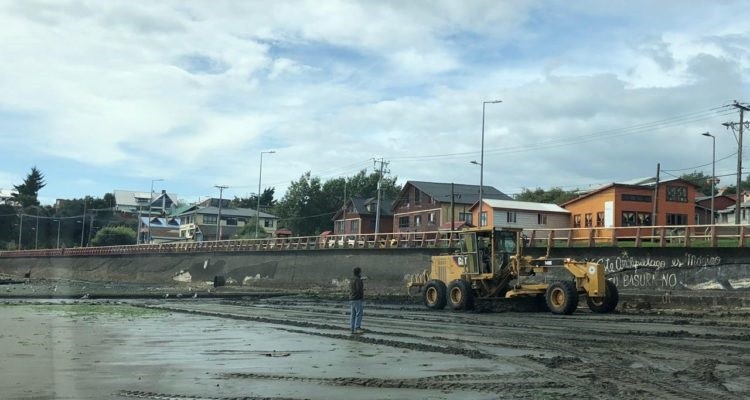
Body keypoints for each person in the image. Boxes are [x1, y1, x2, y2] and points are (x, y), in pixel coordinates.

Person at [349, 267, 365, 334]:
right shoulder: (358, 280)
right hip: (357, 299)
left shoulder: (352, 279)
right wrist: (361, 294)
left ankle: (352, 328)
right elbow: (359, 290)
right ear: (359, 272)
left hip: (351, 298)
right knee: (359, 313)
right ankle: (357, 328)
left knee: (353, 314)